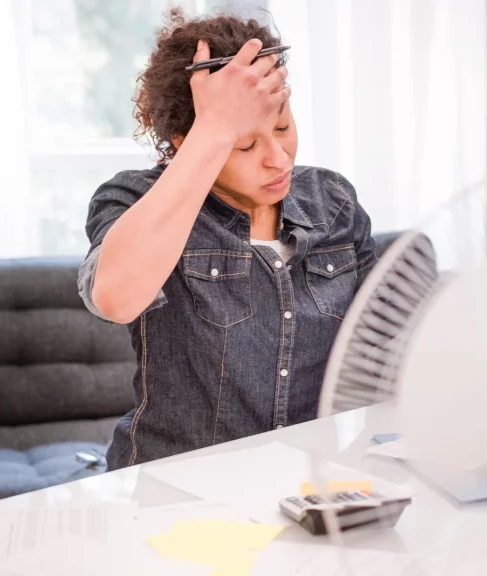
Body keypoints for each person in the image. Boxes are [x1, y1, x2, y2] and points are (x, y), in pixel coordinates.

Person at [78, 9, 377, 470]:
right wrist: (216, 127)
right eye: (245, 145)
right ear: (186, 141)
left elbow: (382, 339)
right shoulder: (136, 199)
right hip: (175, 487)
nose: (278, 159)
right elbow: (115, 299)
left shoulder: (333, 201)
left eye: (282, 127)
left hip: (307, 485)